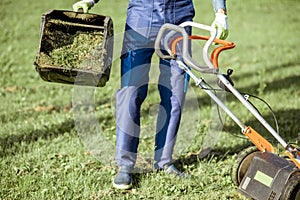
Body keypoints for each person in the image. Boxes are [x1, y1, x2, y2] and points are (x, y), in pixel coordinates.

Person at [73, 0, 229, 190]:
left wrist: (220, 12)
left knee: (175, 92)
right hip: (141, 16)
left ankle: (164, 161)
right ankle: (125, 164)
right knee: (130, 91)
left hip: (179, 17)